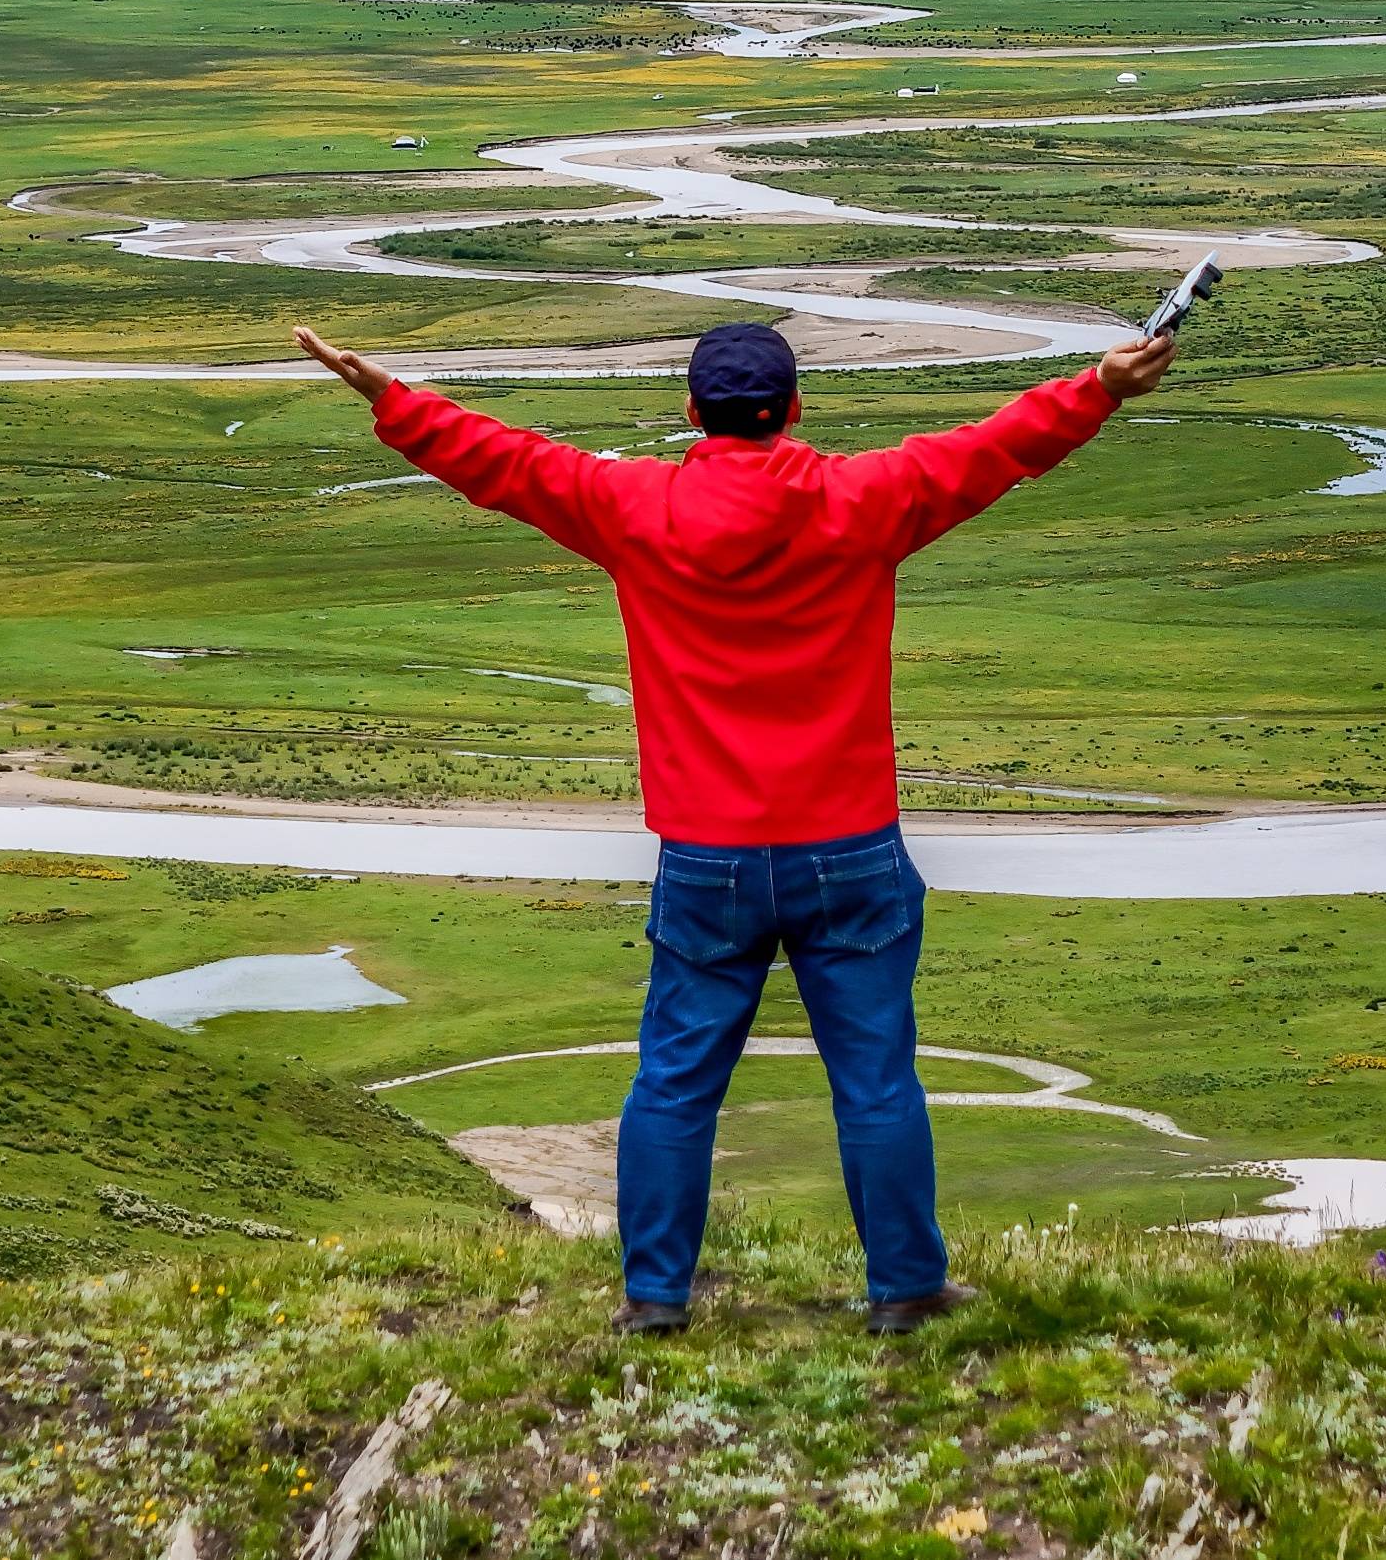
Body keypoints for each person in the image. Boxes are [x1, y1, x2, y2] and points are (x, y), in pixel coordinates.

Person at [291, 311, 1175, 1334]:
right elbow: (992, 450)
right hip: (849, 847)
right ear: (793, 408)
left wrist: (391, 399)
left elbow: (506, 464)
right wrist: (1098, 387)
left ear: (691, 411)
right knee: (875, 1081)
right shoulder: (866, 498)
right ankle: (904, 1289)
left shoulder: (633, 506)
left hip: (706, 853)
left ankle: (655, 1298)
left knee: (673, 1082)